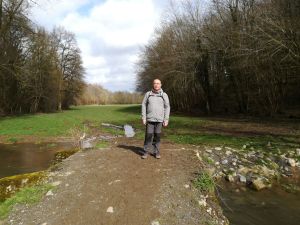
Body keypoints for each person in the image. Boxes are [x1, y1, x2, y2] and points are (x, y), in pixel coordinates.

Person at [141, 79, 170, 159]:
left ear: (161, 85)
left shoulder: (164, 95)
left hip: (160, 120)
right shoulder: (148, 94)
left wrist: (166, 119)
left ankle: (156, 152)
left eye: (158, 83)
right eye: (155, 83)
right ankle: (146, 151)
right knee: (148, 136)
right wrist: (144, 117)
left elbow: (167, 107)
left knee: (157, 136)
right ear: (153, 84)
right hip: (150, 120)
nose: (156, 85)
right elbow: (143, 105)